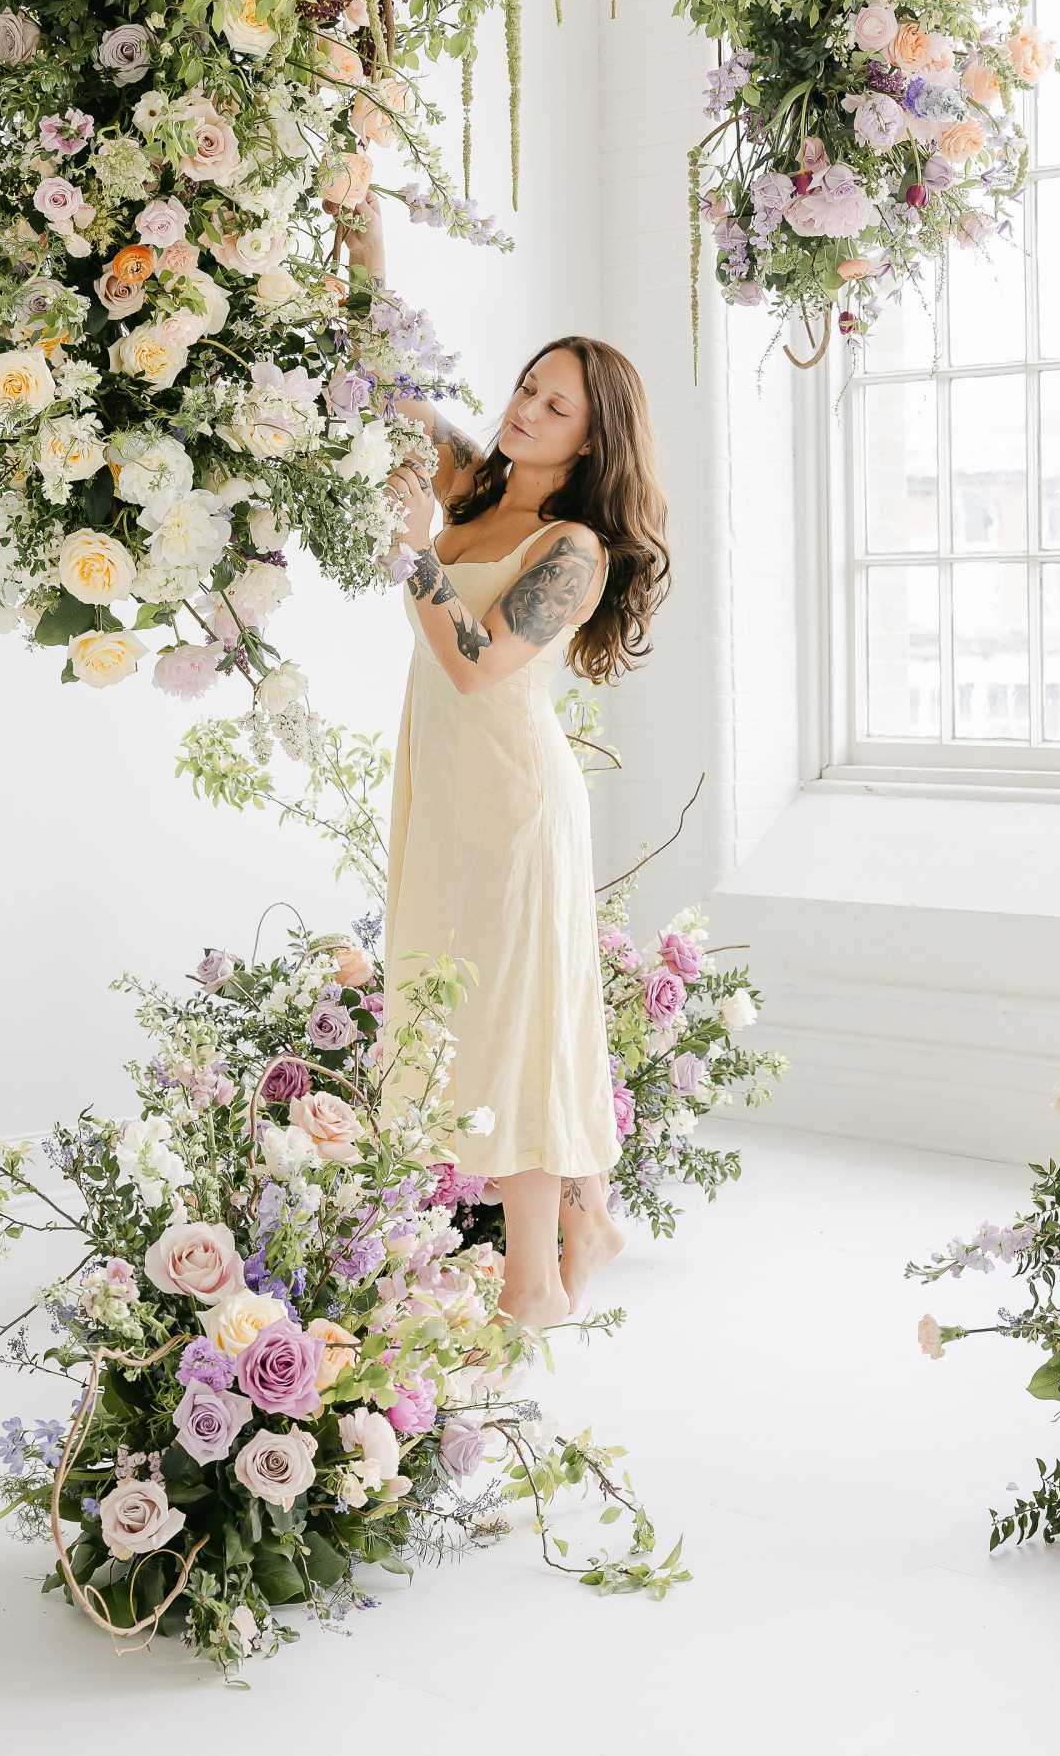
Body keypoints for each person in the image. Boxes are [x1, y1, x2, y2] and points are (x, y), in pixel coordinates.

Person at [334, 195, 670, 1323]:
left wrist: (412, 560)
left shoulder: (571, 550)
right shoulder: (473, 483)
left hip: (519, 800)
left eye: (554, 404)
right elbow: (385, 382)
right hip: (446, 788)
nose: (526, 408)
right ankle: (588, 1217)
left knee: (519, 1018)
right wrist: (362, 237)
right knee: (457, 1003)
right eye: (528, 387)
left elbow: (477, 662)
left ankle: (537, 1281)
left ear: (591, 438)